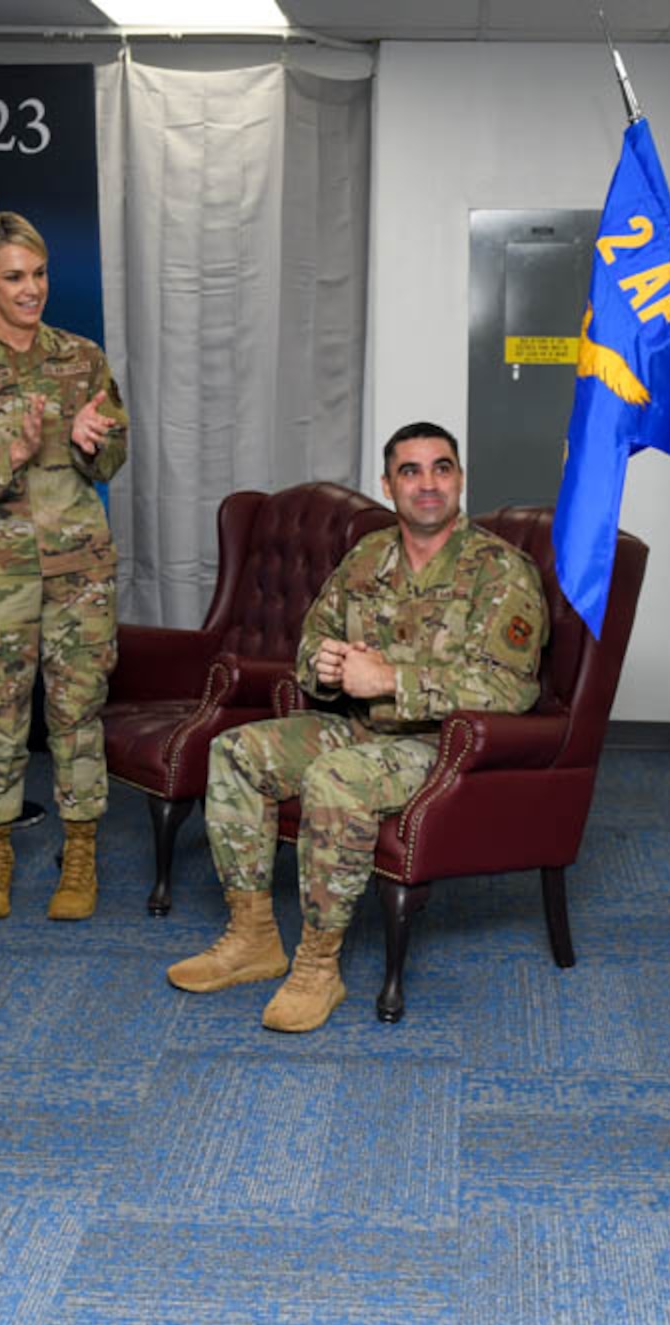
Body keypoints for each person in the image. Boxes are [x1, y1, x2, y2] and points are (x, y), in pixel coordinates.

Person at [165, 422, 549, 1031]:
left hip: (438, 747)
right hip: (358, 726)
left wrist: (392, 679)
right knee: (236, 751)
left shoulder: (500, 572)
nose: (428, 485)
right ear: (388, 485)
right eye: (411, 471)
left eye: (441, 468)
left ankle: (319, 966)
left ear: (460, 479)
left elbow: (512, 688)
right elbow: (313, 641)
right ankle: (253, 936)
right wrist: (324, 667)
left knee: (336, 778)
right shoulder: (366, 557)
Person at [0, 211, 127, 921]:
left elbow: (116, 457)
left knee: (77, 715)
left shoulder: (84, 358)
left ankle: (80, 856)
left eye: (38, 274)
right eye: (14, 277)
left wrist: (89, 444)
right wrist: (13, 452)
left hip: (80, 574)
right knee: (0, 720)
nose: (31, 289)